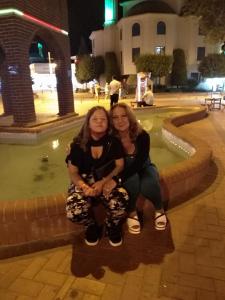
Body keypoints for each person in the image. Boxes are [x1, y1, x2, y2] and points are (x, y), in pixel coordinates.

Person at [66, 106, 129, 247]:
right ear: (88, 123)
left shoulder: (113, 142)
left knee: (121, 200)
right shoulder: (78, 145)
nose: (99, 122)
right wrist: (83, 186)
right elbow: (72, 172)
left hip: (105, 179)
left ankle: (112, 225)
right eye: (95, 119)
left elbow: (120, 165)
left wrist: (104, 181)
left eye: (103, 119)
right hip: (83, 181)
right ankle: (91, 225)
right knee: (73, 211)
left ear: (108, 124)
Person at [109, 103, 167, 234]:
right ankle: (132, 211)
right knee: (132, 180)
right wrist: (74, 145)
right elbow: (90, 137)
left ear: (130, 117)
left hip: (143, 166)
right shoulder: (110, 139)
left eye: (124, 116)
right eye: (115, 117)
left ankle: (159, 209)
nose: (120, 120)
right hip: (125, 170)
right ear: (111, 121)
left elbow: (140, 161)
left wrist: (117, 179)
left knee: (150, 183)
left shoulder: (142, 135)